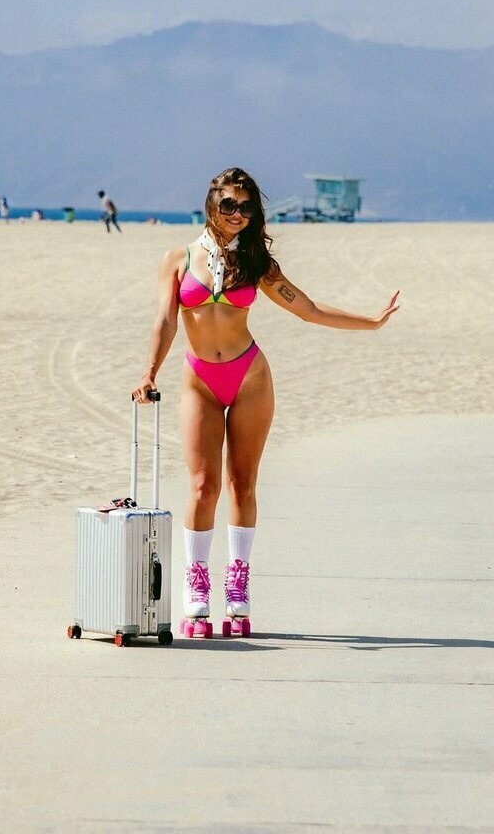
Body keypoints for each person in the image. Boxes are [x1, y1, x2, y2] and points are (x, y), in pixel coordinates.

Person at [131, 167, 400, 638]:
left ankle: (238, 584)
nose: (237, 214)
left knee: (242, 483)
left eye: (246, 206)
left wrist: (371, 322)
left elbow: (308, 310)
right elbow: (166, 322)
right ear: (211, 204)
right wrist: (148, 372)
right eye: (229, 204)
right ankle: (197, 582)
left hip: (249, 378)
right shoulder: (177, 259)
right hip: (199, 381)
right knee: (202, 486)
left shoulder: (256, 263)